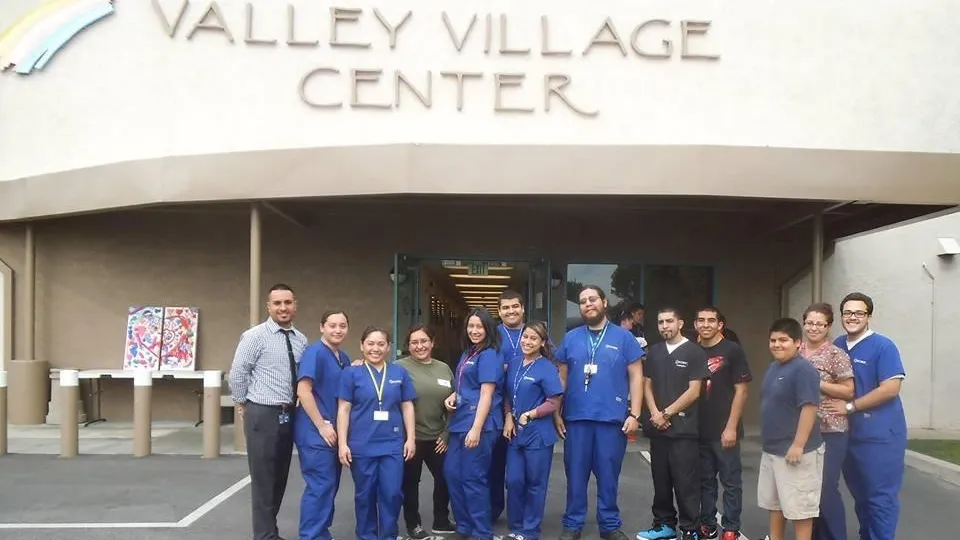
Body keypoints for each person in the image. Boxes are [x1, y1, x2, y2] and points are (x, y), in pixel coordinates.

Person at [555, 285, 644, 540]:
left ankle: (609, 525)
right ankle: (573, 524)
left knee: (608, 475)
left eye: (592, 299)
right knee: (576, 475)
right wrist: (556, 412)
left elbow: (637, 377)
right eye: (582, 301)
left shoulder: (624, 337)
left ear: (604, 302)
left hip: (611, 420)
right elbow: (561, 377)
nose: (587, 304)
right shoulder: (571, 338)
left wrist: (634, 414)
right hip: (577, 418)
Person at [824, 292, 907, 540]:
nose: (853, 317)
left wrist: (851, 408)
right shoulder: (837, 345)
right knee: (861, 497)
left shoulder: (883, 346)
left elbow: (890, 389)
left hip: (880, 436)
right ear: (841, 316)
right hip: (849, 435)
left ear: (869, 316)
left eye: (859, 313)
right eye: (848, 312)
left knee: (879, 499)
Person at [229, 283, 307, 540]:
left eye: (287, 303)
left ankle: (269, 531)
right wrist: (243, 403)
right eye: (277, 303)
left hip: (288, 414)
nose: (283, 308)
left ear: (295, 305)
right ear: (269, 307)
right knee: (263, 479)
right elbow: (238, 373)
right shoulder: (255, 336)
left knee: (279, 477)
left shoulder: (300, 340)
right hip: (262, 413)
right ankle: (264, 536)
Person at [337, 327, 417, 540]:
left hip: (392, 443)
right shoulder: (351, 373)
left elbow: (407, 405)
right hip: (362, 445)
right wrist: (342, 444)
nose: (376, 349)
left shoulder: (398, 373)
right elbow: (343, 408)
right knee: (365, 495)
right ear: (362, 345)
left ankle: (388, 535)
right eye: (370, 344)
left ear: (388, 347)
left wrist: (411, 438)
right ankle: (367, 536)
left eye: (381, 344)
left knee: (392, 494)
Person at [636, 307, 710, 540]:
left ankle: (690, 529)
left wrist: (665, 413)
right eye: (661, 322)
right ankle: (664, 525)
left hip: (683, 431)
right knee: (661, 481)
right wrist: (655, 413)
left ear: (680, 323)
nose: (665, 326)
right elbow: (646, 384)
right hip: (658, 431)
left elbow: (694, 391)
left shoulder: (694, 352)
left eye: (669, 321)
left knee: (685, 483)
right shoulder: (655, 352)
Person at [758, 318, 824, 540]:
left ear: (797, 343)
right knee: (775, 505)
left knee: (800, 510)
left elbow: (809, 408)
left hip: (796, 453)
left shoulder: (804, 370)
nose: (777, 344)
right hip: (773, 451)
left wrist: (798, 444)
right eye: (773, 340)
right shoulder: (773, 367)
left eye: (783, 340)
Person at [443, 308, 504, 540]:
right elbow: (464, 386)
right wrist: (453, 395)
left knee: (473, 477)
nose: (474, 331)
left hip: (479, 424)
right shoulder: (468, 353)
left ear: (488, 328)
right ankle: (464, 526)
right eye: (471, 326)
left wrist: (476, 429)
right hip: (460, 422)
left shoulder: (489, 354)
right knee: (452, 473)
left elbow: (487, 394)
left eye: (479, 326)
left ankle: (481, 531)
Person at [502, 321, 564, 540]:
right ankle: (516, 527)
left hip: (538, 433)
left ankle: (530, 531)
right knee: (514, 481)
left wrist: (531, 414)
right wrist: (509, 416)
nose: (527, 342)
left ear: (542, 343)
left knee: (535, 483)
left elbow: (553, 402)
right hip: (515, 433)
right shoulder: (514, 362)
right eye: (525, 337)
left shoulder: (547, 367)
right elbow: (508, 395)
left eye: (533, 339)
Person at [693, 306, 752, 540]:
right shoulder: (692, 351)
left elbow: (742, 391)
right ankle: (708, 524)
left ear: (720, 325)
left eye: (711, 320)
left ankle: (730, 527)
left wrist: (731, 427)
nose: (705, 324)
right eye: (701, 320)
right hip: (698, 429)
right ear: (696, 325)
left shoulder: (732, 350)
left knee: (730, 482)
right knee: (705, 481)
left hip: (724, 429)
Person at [294, 310, 351, 540]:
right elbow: (303, 390)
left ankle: (320, 533)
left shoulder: (342, 357)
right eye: (332, 325)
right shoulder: (315, 353)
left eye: (342, 325)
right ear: (321, 328)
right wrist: (321, 426)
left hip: (332, 432)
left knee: (329, 486)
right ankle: (312, 535)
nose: (337, 330)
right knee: (320, 486)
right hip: (316, 431)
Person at [396, 324, 457, 538]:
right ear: (408, 345)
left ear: (432, 343)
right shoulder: (398, 367)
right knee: (410, 483)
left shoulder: (444, 368)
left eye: (424, 341)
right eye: (414, 342)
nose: (419, 346)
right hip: (410, 438)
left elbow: (454, 401)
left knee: (446, 477)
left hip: (438, 436)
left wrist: (447, 433)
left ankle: (441, 520)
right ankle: (414, 525)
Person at [799, 303, 854, 540]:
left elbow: (848, 390)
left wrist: (817, 383)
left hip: (830, 430)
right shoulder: (795, 350)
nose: (813, 328)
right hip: (801, 430)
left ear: (828, 327)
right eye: (809, 323)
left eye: (819, 324)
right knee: (807, 490)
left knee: (825, 488)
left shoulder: (835, 355)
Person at [492, 290, 526, 522]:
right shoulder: (492, 335)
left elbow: (550, 363)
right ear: (499, 312)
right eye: (505, 308)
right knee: (494, 464)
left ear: (523, 308)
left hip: (528, 409)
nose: (511, 311)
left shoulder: (533, 333)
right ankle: (493, 510)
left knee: (522, 470)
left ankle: (521, 514)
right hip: (495, 408)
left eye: (515, 306)